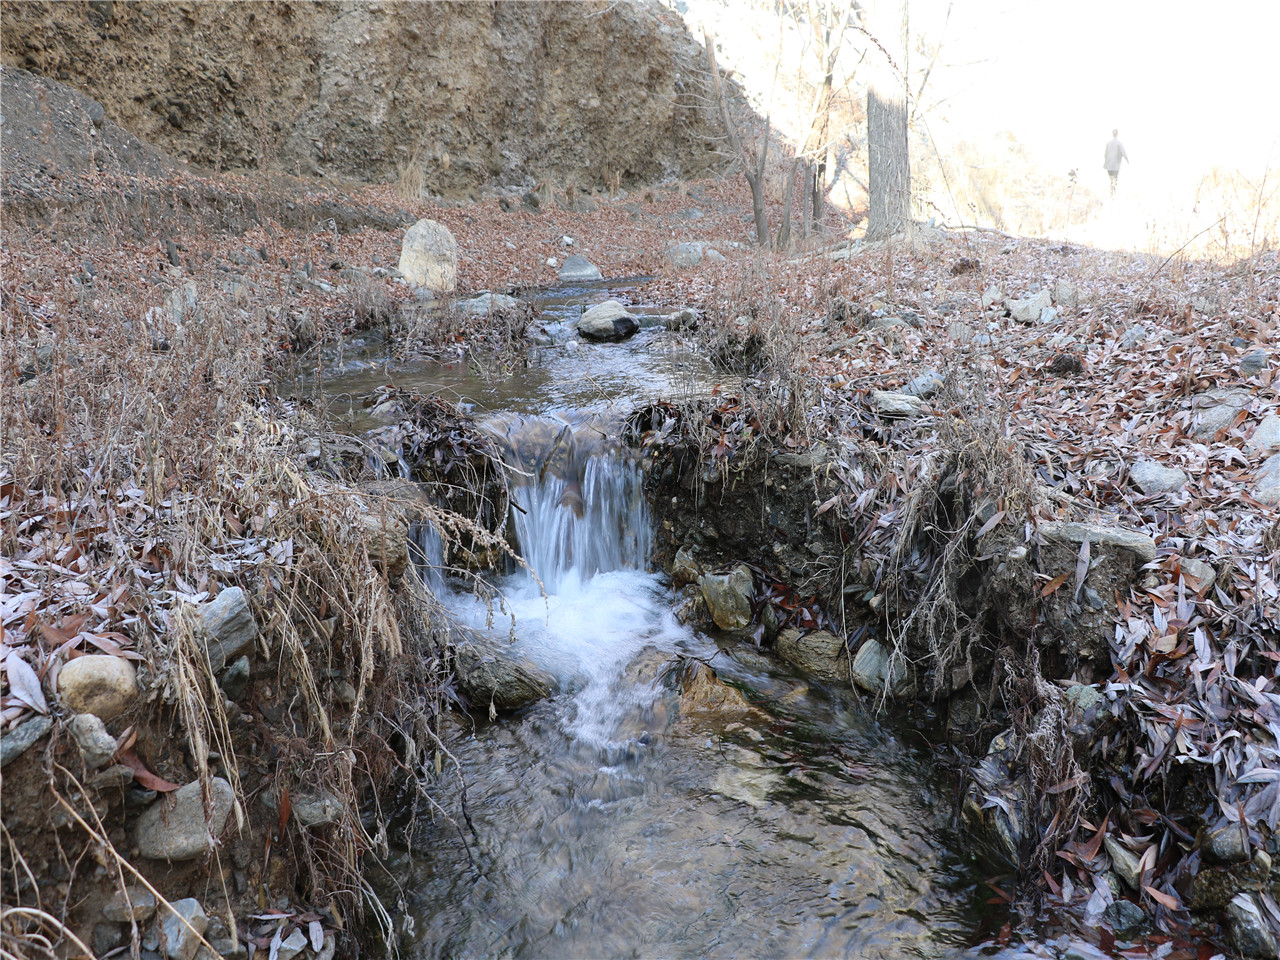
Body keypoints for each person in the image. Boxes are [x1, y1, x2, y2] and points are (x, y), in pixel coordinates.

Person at [1104, 129, 1128, 197]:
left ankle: (1111, 190)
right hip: (1116, 165)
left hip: (1109, 165)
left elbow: (1105, 155)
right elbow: (1123, 153)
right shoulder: (1119, 144)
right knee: (1115, 178)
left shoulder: (1108, 144)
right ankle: (1114, 191)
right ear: (1117, 134)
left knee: (1111, 178)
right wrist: (1127, 160)